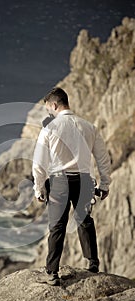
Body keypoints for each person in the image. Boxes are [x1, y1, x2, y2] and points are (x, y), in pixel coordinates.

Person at [32, 87, 111, 286]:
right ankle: (92, 263)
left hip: (59, 182)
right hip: (85, 181)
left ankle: (52, 273)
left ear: (54, 105)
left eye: (48, 108)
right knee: (85, 221)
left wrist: (38, 188)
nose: (48, 113)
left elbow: (39, 163)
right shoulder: (89, 127)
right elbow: (103, 158)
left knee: (57, 226)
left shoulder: (49, 128)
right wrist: (105, 183)